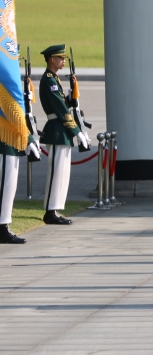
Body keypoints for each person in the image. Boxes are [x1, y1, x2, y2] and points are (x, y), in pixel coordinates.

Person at [38, 44, 80, 225]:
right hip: (56, 129)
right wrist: (76, 131)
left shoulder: (54, 79)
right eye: (61, 58)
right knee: (56, 173)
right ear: (52, 59)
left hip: (61, 130)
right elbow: (61, 110)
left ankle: (55, 209)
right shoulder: (48, 80)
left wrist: (73, 95)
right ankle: (50, 212)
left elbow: (65, 104)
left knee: (62, 173)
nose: (64, 61)